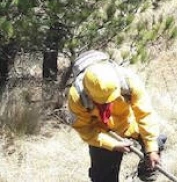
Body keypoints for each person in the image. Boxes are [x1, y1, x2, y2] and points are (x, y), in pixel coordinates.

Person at [67, 54, 165, 182]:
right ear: (89, 92)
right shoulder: (77, 97)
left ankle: (147, 171)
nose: (107, 103)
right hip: (103, 133)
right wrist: (112, 145)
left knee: (155, 140)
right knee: (103, 178)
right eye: (102, 101)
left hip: (129, 124)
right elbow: (85, 130)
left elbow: (145, 114)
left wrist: (151, 149)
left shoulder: (129, 81)